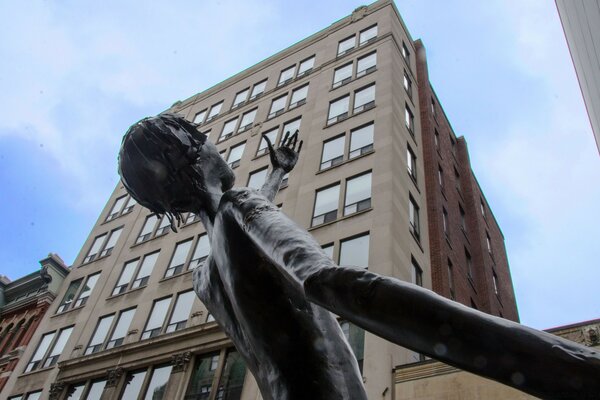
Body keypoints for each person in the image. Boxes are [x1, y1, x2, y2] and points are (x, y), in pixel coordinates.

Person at [119, 114, 600, 400]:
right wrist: (570, 367)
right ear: (191, 146)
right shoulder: (240, 209)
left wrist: (275, 179)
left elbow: (248, 242)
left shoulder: (207, 278)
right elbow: (333, 283)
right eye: (203, 136)